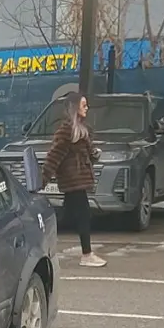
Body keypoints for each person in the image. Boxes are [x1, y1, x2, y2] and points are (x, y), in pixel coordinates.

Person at [41, 92, 105, 267]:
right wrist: (42, 180)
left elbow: (85, 153)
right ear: (75, 107)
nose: (87, 108)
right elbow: (54, 156)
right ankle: (87, 255)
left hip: (78, 179)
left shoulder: (81, 129)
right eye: (84, 105)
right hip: (73, 180)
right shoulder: (66, 130)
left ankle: (41, 243)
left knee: (65, 217)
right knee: (83, 215)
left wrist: (94, 154)